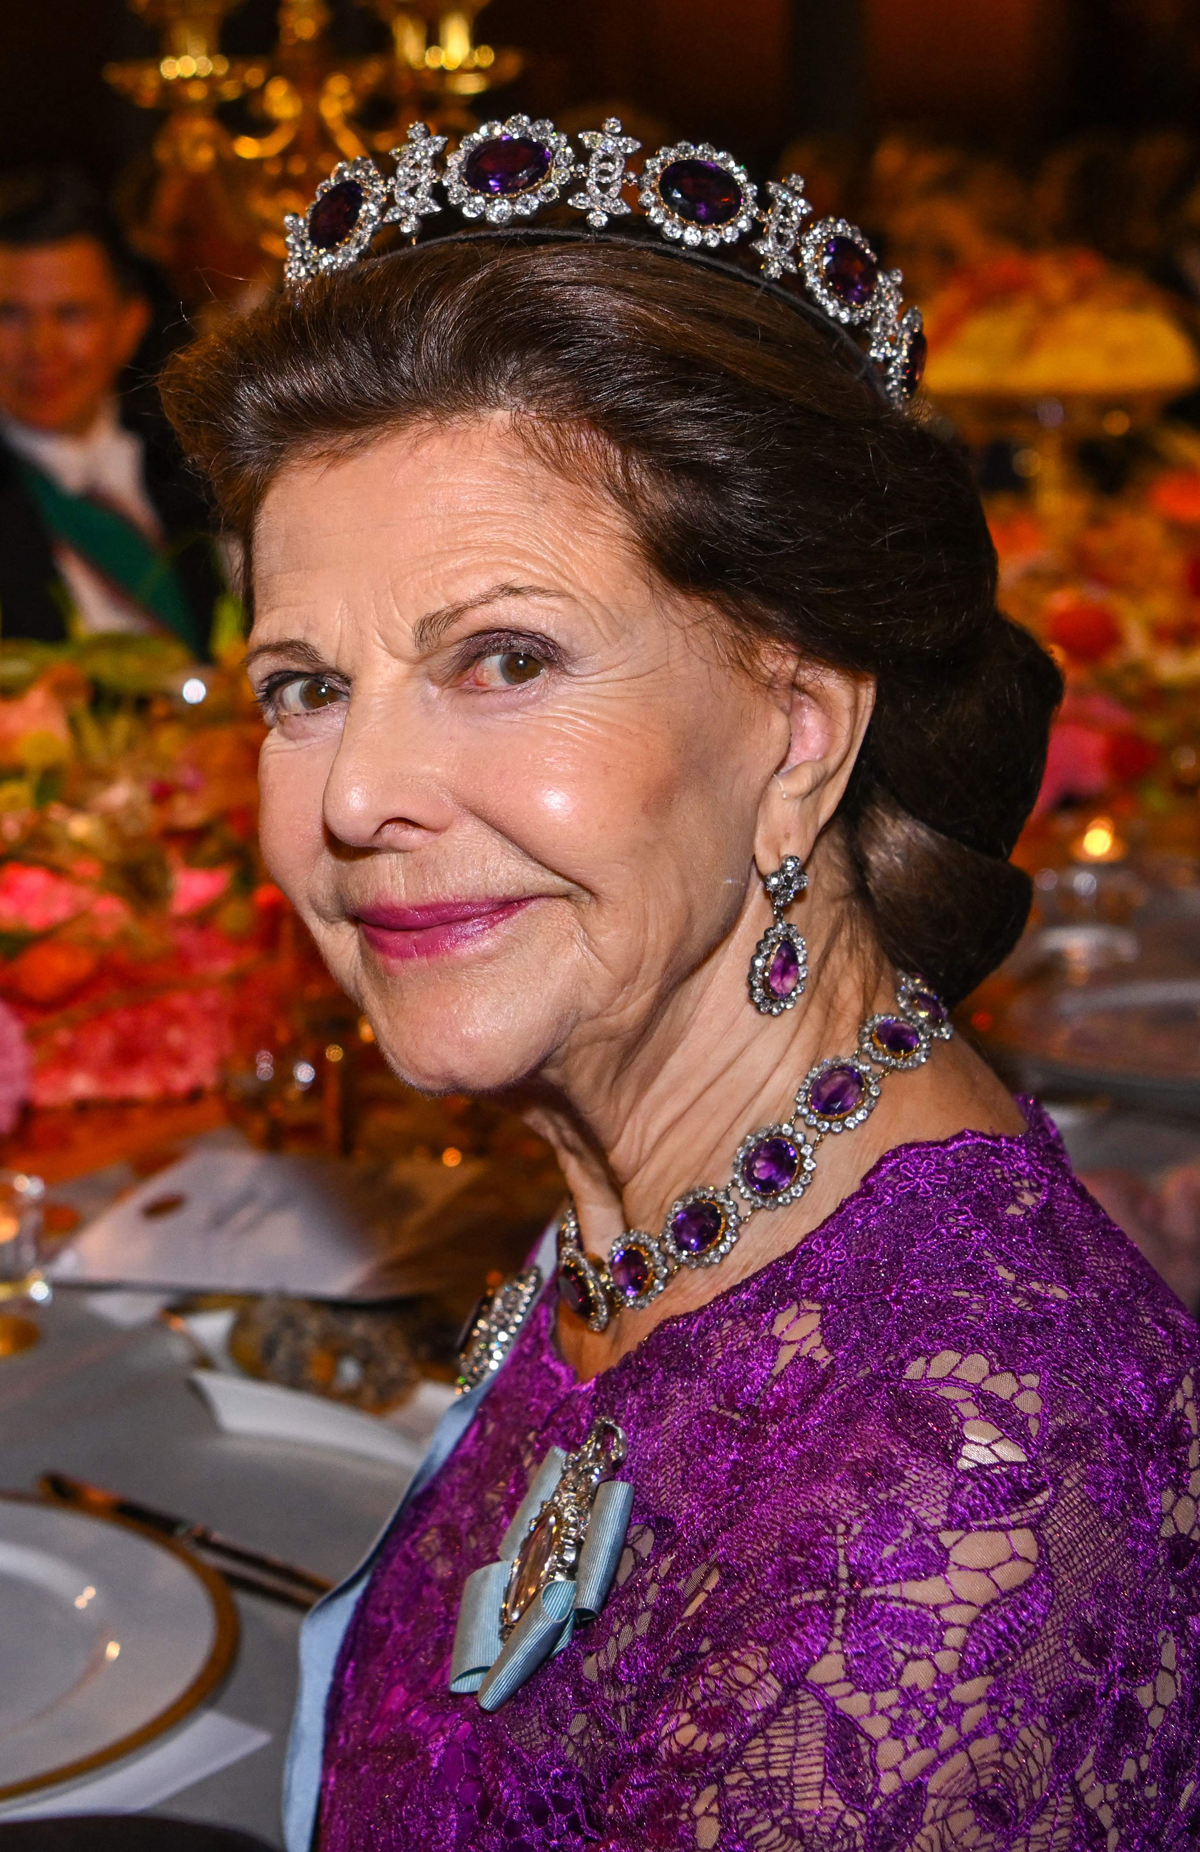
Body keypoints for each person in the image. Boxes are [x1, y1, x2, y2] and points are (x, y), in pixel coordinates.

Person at [163, 122, 1200, 1851]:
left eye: (503, 658)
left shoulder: (942, 1537)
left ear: (797, 733)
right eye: (302, 683)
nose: (350, 796)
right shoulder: (684, 1191)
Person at [0, 169, 224, 654]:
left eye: (71, 314)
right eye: (10, 315)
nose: (41, 348)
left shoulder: (201, 464)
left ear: (129, 324)